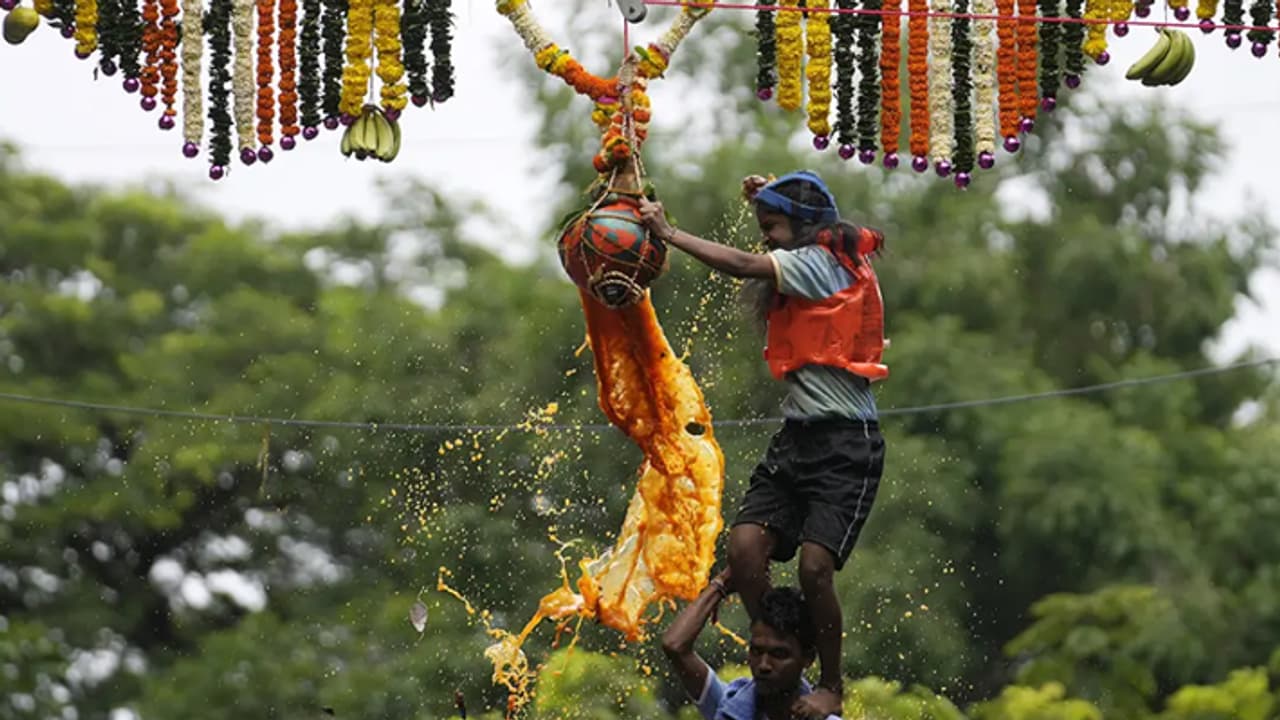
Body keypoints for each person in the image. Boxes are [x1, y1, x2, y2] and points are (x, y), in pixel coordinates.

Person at [639, 170, 888, 718]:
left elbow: (745, 265)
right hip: (797, 440)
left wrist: (669, 233)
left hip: (847, 444)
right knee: (745, 547)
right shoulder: (812, 253)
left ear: (802, 228)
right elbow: (785, 228)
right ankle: (777, 654)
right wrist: (770, 193)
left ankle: (828, 685)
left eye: (772, 227)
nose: (766, 239)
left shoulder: (823, 263)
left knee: (815, 569)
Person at [661, 569, 841, 720]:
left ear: (807, 658)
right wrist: (722, 583)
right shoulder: (730, 707)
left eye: (779, 654)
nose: (763, 665)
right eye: (756, 651)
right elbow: (675, 645)